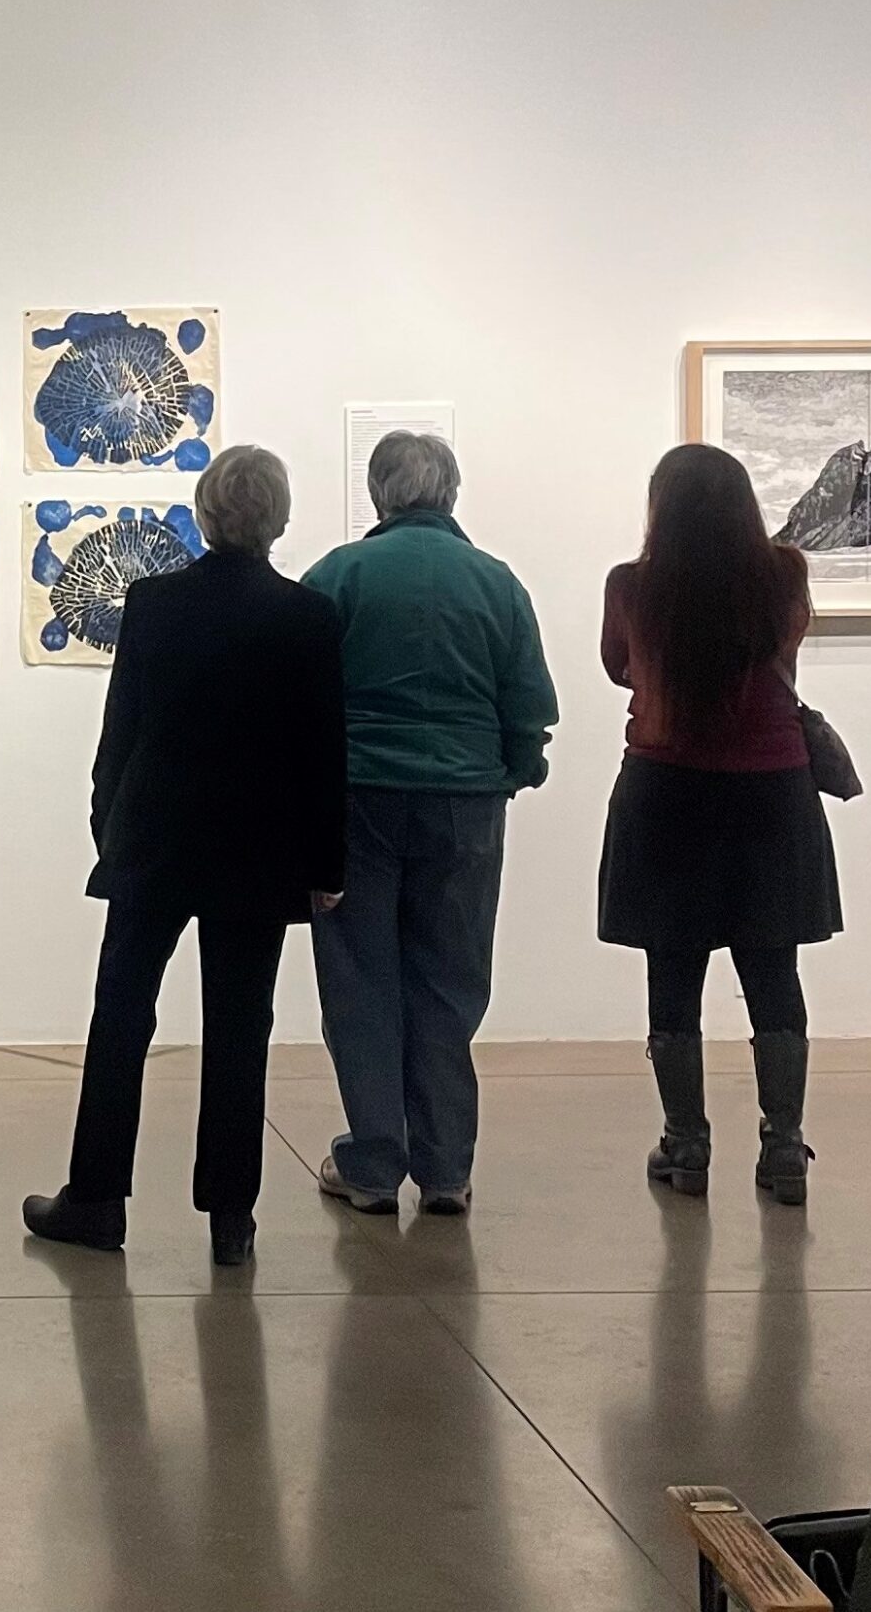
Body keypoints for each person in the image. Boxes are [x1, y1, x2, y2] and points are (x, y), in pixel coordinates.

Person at [23, 444, 348, 1266]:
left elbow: (121, 729)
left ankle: (97, 1197)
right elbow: (322, 756)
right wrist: (327, 866)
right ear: (278, 520)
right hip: (259, 852)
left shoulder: (154, 603)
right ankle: (231, 1218)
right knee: (241, 1028)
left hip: (155, 840)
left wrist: (108, 823)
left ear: (205, 513)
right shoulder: (306, 617)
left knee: (123, 1015)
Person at [301, 431, 556, 1216]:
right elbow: (530, 707)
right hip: (465, 804)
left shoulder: (336, 576)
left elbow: (299, 705)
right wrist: (509, 773)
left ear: (380, 493)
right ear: (451, 491)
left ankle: (374, 1164)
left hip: (356, 802)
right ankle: (447, 1168)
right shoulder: (497, 582)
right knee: (449, 983)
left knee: (360, 981)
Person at [599, 442, 841, 1207]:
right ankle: (782, 1147)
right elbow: (785, 642)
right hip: (771, 795)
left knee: (673, 970)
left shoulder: (633, 586)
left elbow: (617, 666)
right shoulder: (785, 577)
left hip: (667, 791)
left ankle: (687, 1142)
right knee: (772, 971)